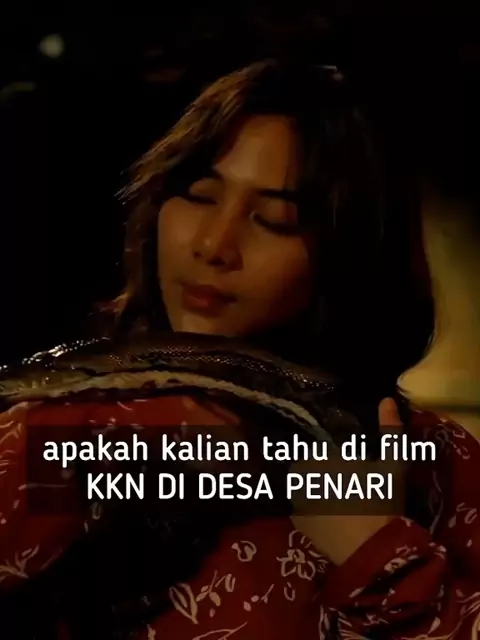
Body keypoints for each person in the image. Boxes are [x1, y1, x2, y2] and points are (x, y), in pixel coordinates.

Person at [0, 59, 478, 640]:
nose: (213, 245)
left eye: (276, 220)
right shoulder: (66, 437)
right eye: (199, 195)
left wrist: (380, 558)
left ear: (352, 250)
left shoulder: (441, 465)